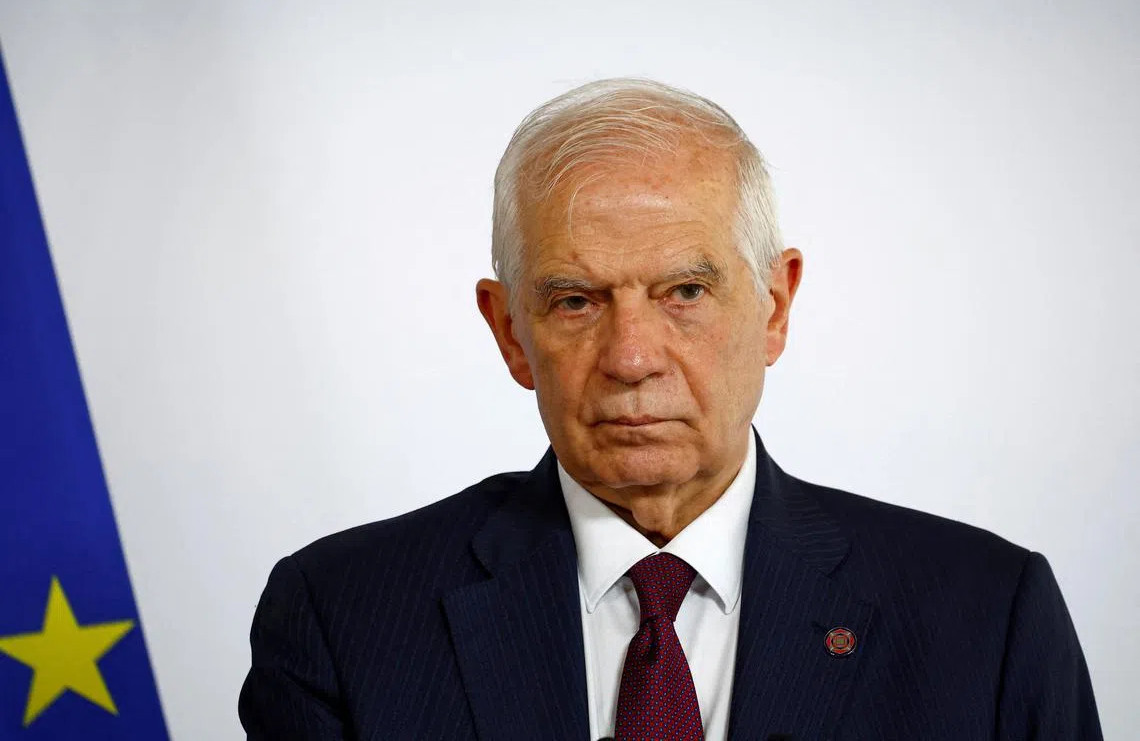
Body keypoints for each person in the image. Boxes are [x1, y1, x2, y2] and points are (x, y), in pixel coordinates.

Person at [238, 78, 1102, 740]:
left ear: (775, 304)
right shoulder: (343, 615)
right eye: (576, 300)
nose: (633, 358)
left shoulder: (986, 615)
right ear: (509, 332)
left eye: (685, 291)